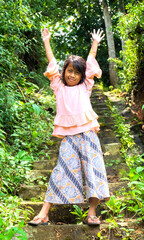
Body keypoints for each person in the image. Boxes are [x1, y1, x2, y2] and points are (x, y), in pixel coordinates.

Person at [28, 28, 110, 226]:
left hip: (88, 134)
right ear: (64, 72)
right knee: (60, 171)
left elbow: (91, 62)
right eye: (69, 71)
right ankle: (44, 213)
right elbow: (52, 61)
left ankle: (91, 213)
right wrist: (46, 41)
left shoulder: (85, 86)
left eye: (77, 72)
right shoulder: (58, 86)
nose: (72, 75)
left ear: (82, 76)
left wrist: (95, 44)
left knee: (93, 171)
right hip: (69, 138)